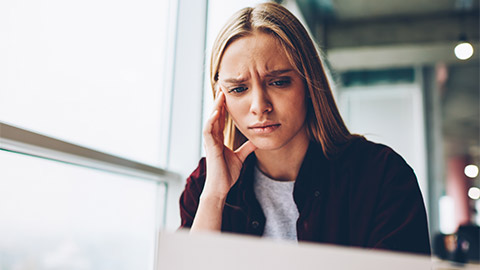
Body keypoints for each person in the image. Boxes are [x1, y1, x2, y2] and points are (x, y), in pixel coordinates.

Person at [179, 2, 431, 255]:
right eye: (238, 89)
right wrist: (213, 197)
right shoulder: (205, 183)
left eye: (279, 82)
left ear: (309, 84)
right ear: (221, 97)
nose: (259, 106)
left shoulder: (382, 176)